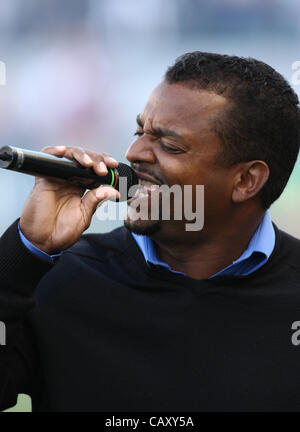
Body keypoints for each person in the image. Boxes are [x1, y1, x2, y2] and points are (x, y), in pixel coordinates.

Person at [1, 51, 300, 412]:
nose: (133, 152)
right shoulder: (58, 277)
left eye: (169, 145)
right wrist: (25, 250)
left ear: (246, 180)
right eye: (139, 131)